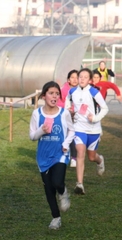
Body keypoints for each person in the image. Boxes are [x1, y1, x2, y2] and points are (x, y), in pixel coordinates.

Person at [30, 81, 75, 229]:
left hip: (60, 154)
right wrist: (42, 130)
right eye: (51, 93)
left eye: (57, 94)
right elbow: (32, 136)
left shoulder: (64, 113)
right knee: (48, 189)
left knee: (57, 182)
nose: (54, 96)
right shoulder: (37, 113)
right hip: (43, 156)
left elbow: (71, 130)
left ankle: (63, 192)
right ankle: (56, 218)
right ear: (44, 96)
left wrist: (66, 144)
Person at [65, 68, 109, 195]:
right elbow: (67, 102)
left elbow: (105, 108)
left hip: (93, 129)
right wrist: (69, 110)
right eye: (80, 76)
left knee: (91, 157)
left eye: (85, 77)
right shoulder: (72, 91)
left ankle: (100, 160)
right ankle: (79, 184)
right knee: (80, 153)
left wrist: (95, 118)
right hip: (79, 128)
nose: (82, 79)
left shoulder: (94, 92)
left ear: (89, 80)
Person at [57, 69, 78, 168]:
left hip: (77, 117)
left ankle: (74, 158)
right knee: (64, 136)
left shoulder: (80, 90)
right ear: (68, 79)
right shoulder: (63, 90)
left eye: (77, 77)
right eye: (72, 77)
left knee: (73, 136)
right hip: (64, 116)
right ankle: (65, 155)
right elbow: (58, 103)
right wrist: (67, 110)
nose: (75, 79)